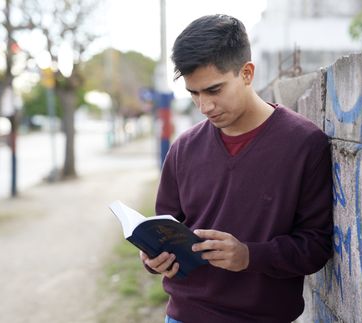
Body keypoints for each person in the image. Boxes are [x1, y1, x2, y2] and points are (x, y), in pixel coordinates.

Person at [140, 14, 334, 323]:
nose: (204, 107)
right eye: (194, 93)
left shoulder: (304, 144)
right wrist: (153, 258)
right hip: (184, 316)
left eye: (214, 90)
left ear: (246, 73)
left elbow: (316, 245)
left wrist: (249, 255)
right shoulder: (183, 149)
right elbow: (163, 229)